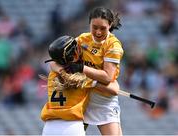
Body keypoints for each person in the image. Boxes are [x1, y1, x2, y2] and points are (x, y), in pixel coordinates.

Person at [51, 7, 124, 135]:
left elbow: (107, 77)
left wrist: (81, 68)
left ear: (110, 25)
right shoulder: (82, 39)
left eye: (103, 28)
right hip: (82, 98)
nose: (98, 32)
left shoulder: (113, 45)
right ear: (89, 23)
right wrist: (63, 73)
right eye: (94, 27)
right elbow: (53, 62)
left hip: (103, 101)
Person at [40, 35, 120, 135]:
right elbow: (115, 89)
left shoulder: (52, 73)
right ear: (74, 54)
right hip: (72, 127)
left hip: (49, 127)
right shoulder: (81, 77)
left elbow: (53, 64)